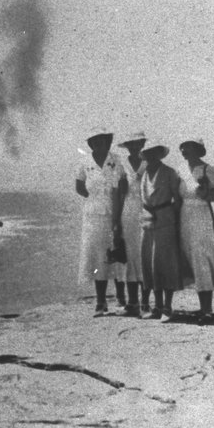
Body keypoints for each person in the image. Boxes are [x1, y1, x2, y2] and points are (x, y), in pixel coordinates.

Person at [74, 127, 126, 317]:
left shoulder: (117, 160)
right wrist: (94, 198)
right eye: (95, 141)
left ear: (108, 141)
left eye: (103, 140)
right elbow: (79, 187)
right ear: (91, 143)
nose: (99, 144)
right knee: (98, 258)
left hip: (114, 210)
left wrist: (117, 213)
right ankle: (101, 301)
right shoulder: (84, 162)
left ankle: (121, 298)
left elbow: (122, 186)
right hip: (93, 215)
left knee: (117, 254)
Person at [177, 137, 214, 324]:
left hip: (201, 216)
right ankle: (202, 306)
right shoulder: (180, 170)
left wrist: (206, 193)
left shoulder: (207, 169)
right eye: (182, 147)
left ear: (198, 149)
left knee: (202, 257)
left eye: (188, 147)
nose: (185, 151)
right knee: (189, 258)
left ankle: (207, 309)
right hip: (184, 217)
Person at [139, 140, 183, 320]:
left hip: (165, 220)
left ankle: (167, 307)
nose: (151, 156)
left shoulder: (169, 173)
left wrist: (173, 219)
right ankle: (156, 306)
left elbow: (177, 199)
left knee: (166, 264)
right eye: (148, 153)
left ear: (159, 154)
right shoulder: (144, 173)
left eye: (154, 152)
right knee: (150, 264)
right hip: (147, 221)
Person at [116, 131, 148, 317]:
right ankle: (132, 302)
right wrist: (117, 221)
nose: (134, 147)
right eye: (131, 144)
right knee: (129, 255)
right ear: (126, 146)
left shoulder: (149, 163)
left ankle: (145, 302)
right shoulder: (122, 165)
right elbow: (120, 193)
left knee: (144, 255)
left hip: (145, 208)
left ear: (142, 144)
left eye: (137, 143)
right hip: (128, 209)